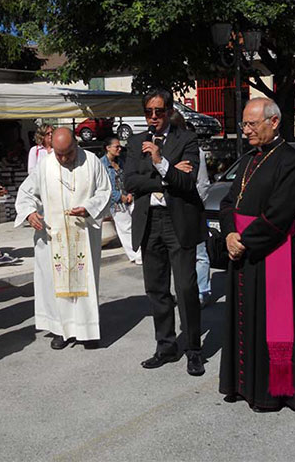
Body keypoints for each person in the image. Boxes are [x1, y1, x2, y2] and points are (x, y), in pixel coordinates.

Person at [217, 97, 295, 413]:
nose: (245, 130)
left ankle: (272, 393)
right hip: (241, 251)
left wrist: (244, 240)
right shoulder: (248, 159)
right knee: (245, 321)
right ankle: (243, 386)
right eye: (244, 123)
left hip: (269, 251)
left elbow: (280, 213)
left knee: (272, 324)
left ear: (274, 122)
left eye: (251, 124)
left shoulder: (292, 161)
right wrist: (230, 233)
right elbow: (228, 203)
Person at [123, 88, 205, 376]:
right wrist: (166, 177)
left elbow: (188, 182)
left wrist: (159, 161)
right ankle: (165, 346)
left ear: (169, 111)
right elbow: (130, 181)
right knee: (156, 289)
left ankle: (194, 349)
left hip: (178, 220)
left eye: (159, 111)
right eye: (148, 112)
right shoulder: (135, 142)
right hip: (149, 221)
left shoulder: (187, 139)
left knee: (185, 288)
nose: (154, 117)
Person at [15, 127, 111, 349]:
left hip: (83, 235)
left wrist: (88, 208)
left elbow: (105, 191)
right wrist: (30, 213)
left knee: (84, 282)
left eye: (68, 153)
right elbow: (26, 192)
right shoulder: (45, 165)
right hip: (52, 236)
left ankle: (87, 331)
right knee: (55, 284)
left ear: (76, 145)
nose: (64, 158)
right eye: (59, 154)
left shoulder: (92, 162)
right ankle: (60, 330)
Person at [169, 110, 213, 307]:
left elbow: (202, 183)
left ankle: (202, 290)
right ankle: (182, 290)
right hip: (172, 209)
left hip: (192, 207)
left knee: (199, 253)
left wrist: (196, 204)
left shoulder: (196, 151)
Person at [100, 136, 141, 265]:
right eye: (116, 146)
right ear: (108, 148)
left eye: (120, 146)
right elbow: (103, 186)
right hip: (116, 202)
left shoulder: (121, 161)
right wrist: (119, 196)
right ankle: (135, 254)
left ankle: (138, 252)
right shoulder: (102, 164)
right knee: (125, 228)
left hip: (129, 197)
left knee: (136, 224)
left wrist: (129, 193)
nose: (119, 149)